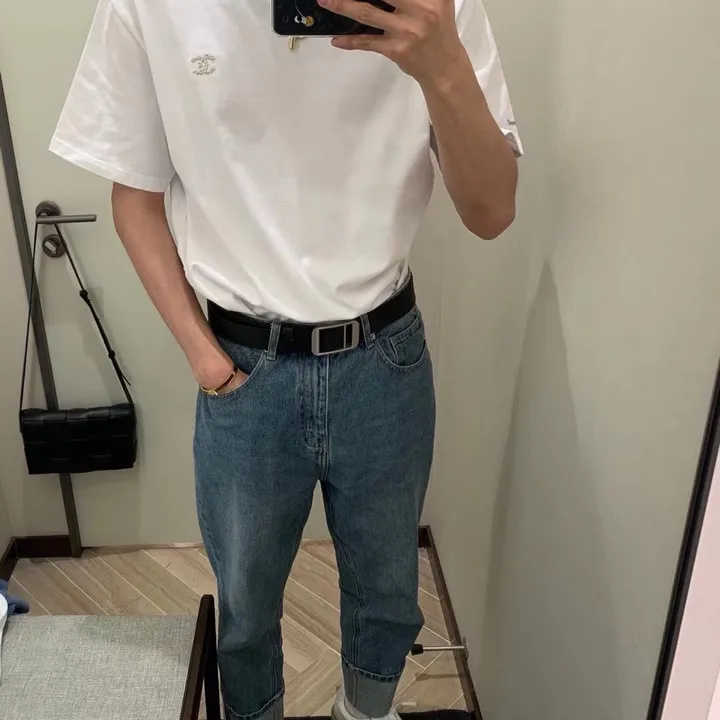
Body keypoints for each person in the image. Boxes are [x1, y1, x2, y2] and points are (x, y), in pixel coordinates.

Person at [51, 0, 521, 718]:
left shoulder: (433, 7)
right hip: (243, 367)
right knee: (245, 602)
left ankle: (365, 712)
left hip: (384, 356)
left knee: (388, 589)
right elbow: (134, 196)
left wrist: (443, 67)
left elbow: (491, 213)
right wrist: (205, 359)